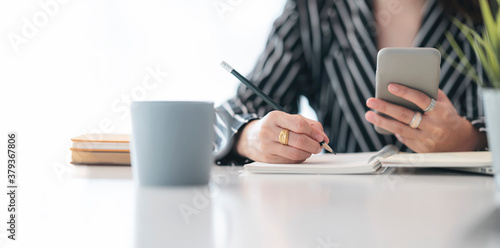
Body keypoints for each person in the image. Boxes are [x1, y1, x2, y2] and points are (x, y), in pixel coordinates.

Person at [214, 0, 489, 165]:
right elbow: (227, 117)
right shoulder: (314, 9)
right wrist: (251, 136)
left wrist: (471, 139)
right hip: (346, 217)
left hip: (466, 218)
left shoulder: (490, 13)